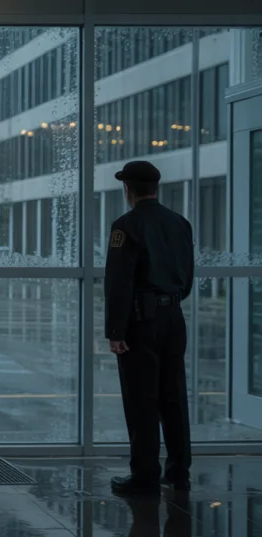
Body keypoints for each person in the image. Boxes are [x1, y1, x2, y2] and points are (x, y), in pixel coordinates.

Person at [105, 160, 194, 495]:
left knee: (142, 399)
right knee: (174, 397)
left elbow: (118, 284)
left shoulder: (125, 227)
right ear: (155, 188)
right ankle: (179, 473)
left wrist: (116, 331)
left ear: (127, 189)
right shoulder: (180, 223)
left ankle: (144, 476)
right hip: (173, 317)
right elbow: (187, 277)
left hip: (141, 322)